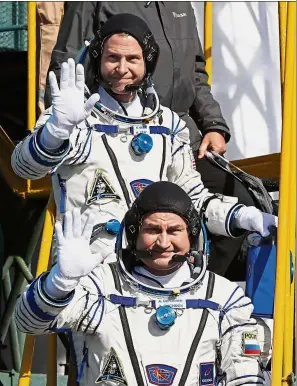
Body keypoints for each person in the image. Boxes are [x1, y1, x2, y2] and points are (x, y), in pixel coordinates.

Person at [11, 14, 277, 262]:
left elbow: (193, 199)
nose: (121, 68)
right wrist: (56, 132)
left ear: (147, 62)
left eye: (133, 59)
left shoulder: (169, 125)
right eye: (112, 58)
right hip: (88, 271)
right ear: (98, 60)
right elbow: (25, 168)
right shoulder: (72, 117)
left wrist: (244, 215)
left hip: (153, 273)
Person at [15, 181, 269, 385]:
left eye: (174, 231)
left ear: (192, 236)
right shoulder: (102, 287)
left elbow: (244, 374)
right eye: (152, 230)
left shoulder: (223, 299)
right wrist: (60, 282)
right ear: (133, 235)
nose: (163, 242)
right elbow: (28, 322)